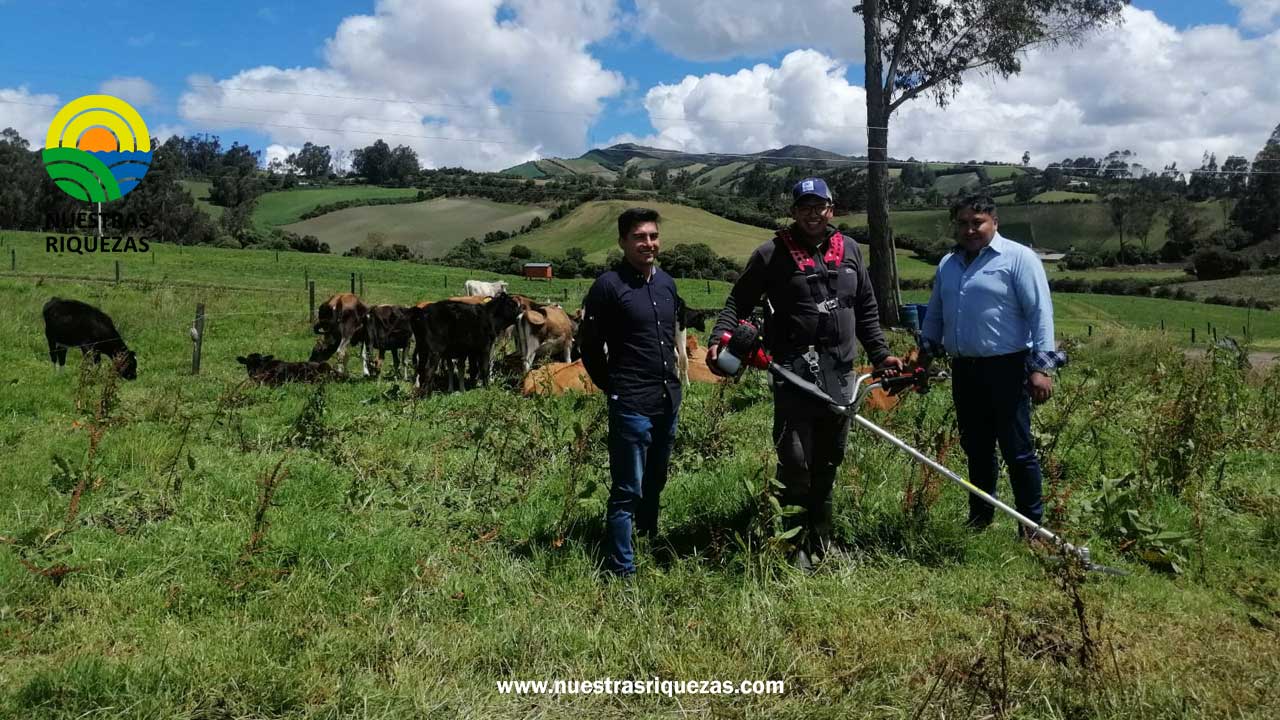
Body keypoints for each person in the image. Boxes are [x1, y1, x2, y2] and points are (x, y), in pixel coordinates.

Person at [708, 178, 903, 570]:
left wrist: (881, 354)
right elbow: (738, 301)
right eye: (804, 207)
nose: (813, 214)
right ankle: (793, 545)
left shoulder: (850, 250)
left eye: (819, 206)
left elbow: (865, 307)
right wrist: (717, 339)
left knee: (829, 460)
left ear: (831, 209)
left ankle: (823, 540)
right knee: (796, 459)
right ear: (794, 212)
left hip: (840, 372)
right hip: (793, 372)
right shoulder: (771, 254)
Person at [919, 194, 1066, 534]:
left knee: (1018, 451)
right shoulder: (948, 264)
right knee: (976, 449)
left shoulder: (1018, 258)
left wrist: (1040, 368)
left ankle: (1031, 528)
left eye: (977, 222)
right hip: (965, 370)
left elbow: (1040, 313)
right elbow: (935, 315)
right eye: (963, 223)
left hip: (1008, 369)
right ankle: (980, 519)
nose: (969, 230)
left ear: (994, 222)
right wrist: (923, 359)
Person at [579, 208, 684, 578]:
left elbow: (670, 340)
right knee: (628, 489)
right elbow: (589, 346)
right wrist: (614, 387)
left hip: (667, 399)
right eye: (639, 237)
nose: (648, 243)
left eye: (653, 236)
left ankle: (647, 538)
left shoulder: (667, 284)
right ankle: (621, 569)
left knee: (656, 480)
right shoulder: (608, 287)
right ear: (623, 242)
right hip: (631, 402)